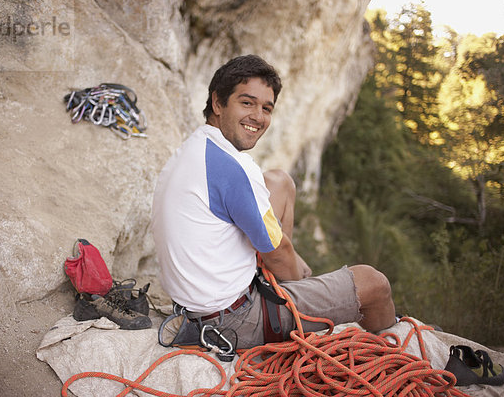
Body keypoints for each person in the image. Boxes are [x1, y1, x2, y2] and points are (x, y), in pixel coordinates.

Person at [151, 54, 396, 349]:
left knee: (280, 181)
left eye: (266, 108)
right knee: (373, 283)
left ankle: (289, 289)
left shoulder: (193, 150)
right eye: (247, 103)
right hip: (233, 320)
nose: (258, 116)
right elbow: (279, 254)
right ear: (217, 103)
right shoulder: (235, 167)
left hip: (194, 306)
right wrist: (301, 278)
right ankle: (396, 349)